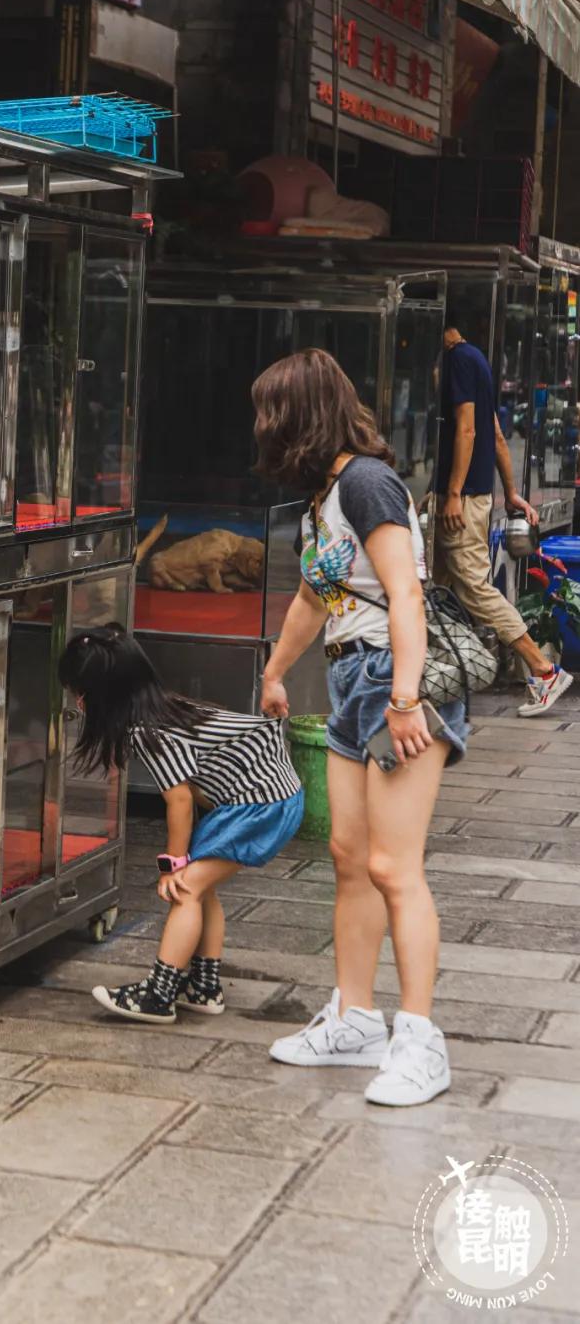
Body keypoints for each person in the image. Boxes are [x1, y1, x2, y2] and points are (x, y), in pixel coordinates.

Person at [255, 349, 466, 1107]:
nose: (261, 426)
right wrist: (277, 672)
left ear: (299, 417)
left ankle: (420, 1041)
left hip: (391, 683)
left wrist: (405, 700)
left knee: (392, 867)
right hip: (354, 680)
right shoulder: (328, 495)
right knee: (349, 856)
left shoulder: (367, 482)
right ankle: (355, 1020)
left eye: (269, 411)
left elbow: (406, 597)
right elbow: (316, 598)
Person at [58, 625, 303, 1026]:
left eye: (79, 695)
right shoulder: (167, 708)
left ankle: (159, 993)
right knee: (202, 890)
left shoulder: (148, 732)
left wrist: (173, 861)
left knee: (185, 888)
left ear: (103, 696)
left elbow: (180, 800)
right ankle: (204, 987)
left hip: (260, 805)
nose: (78, 704)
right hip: (264, 798)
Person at [436, 324, 572, 717]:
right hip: (468, 497)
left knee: (476, 588)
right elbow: (495, 434)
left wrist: (453, 493)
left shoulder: (458, 360)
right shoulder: (475, 359)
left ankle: (543, 670)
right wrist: (510, 492)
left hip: (460, 500)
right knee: (437, 586)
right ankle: (439, 677)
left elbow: (467, 428)